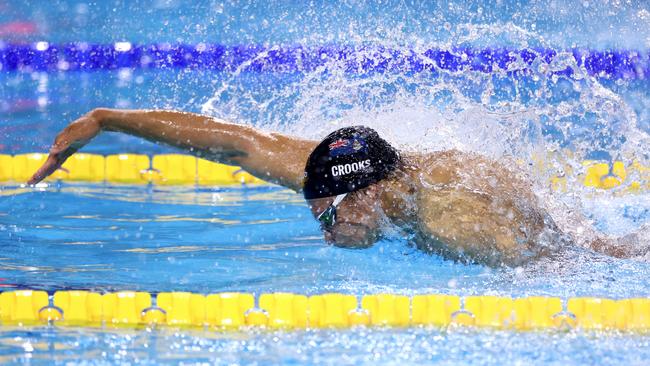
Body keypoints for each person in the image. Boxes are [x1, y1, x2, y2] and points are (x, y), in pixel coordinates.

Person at [28, 108, 646, 267]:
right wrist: (107, 120)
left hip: (544, 230)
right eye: (317, 213)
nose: (328, 231)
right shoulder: (335, 168)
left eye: (334, 218)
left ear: (374, 193)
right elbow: (232, 144)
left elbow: (555, 273)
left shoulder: (455, 222)